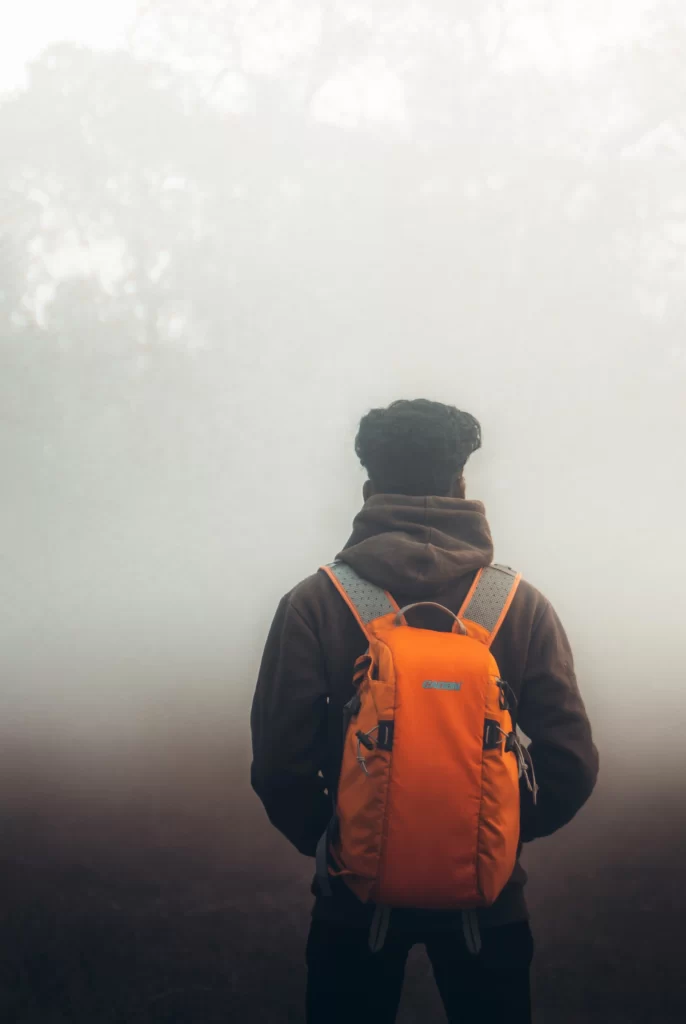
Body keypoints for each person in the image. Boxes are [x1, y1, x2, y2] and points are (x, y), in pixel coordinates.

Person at [250, 398, 599, 1023]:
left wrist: (342, 844)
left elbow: (279, 766)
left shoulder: (314, 603)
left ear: (368, 487)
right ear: (462, 484)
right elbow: (571, 765)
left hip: (351, 904)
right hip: (488, 904)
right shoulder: (520, 604)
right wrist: (493, 838)